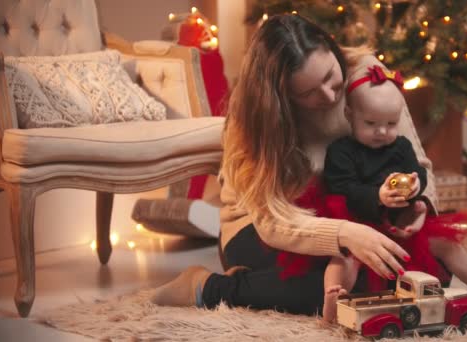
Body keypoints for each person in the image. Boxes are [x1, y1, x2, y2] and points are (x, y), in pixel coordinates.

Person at [150, 14, 443, 316]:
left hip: (355, 210)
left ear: (331, 47)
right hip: (263, 227)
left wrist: (418, 201)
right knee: (328, 287)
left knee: (429, 273)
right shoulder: (254, 118)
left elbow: (417, 161)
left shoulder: (369, 72)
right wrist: (346, 235)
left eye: (331, 76)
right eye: (308, 92)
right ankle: (206, 286)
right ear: (282, 95)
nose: (329, 96)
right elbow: (272, 222)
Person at [320, 66, 467, 322]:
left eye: (391, 124)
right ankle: (334, 296)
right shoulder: (342, 151)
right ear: (350, 114)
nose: (382, 131)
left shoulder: (401, 146)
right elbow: (341, 189)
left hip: (402, 223)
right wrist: (378, 196)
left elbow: (418, 174)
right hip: (360, 225)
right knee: (345, 258)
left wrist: (414, 187)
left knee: (449, 245)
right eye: (371, 123)